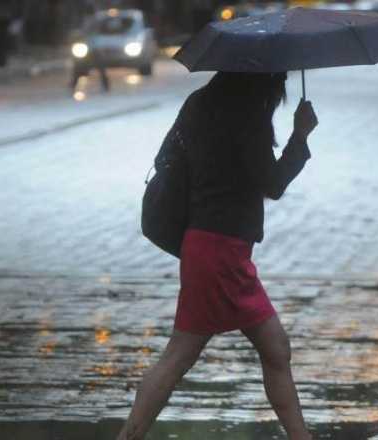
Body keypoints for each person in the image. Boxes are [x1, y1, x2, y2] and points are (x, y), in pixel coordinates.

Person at [116, 72, 317, 440]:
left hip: (209, 247)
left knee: (275, 348)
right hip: (221, 253)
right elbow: (272, 183)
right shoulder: (245, 114)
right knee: (179, 357)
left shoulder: (202, 102)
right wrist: (299, 136)